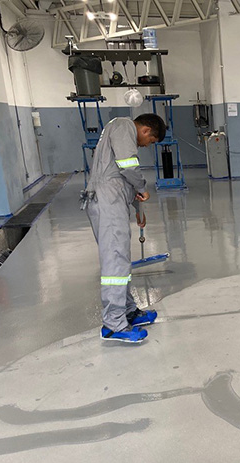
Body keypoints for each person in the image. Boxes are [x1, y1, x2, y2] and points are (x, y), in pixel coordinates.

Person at [83, 114, 166, 343]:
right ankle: (113, 324)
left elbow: (121, 177)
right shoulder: (123, 125)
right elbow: (127, 164)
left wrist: (138, 208)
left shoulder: (119, 131)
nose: (146, 145)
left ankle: (127, 311)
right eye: (150, 141)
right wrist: (143, 187)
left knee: (121, 260)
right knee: (115, 261)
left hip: (113, 202)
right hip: (108, 203)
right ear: (146, 130)